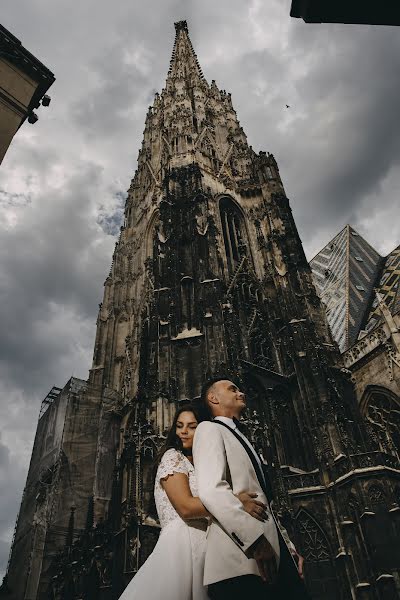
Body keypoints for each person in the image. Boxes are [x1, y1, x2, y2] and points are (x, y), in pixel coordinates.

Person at [119, 404, 270, 600]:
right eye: (180, 425)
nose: (184, 431)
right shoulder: (172, 457)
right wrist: (236, 501)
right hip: (183, 544)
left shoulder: (203, 464)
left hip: (209, 544)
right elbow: (186, 507)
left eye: (192, 426)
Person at [193, 377, 311, 600]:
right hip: (243, 559)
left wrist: (289, 549)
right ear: (213, 398)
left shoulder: (242, 437)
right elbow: (212, 490)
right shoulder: (208, 429)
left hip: (273, 552)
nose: (241, 393)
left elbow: (264, 500)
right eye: (232, 389)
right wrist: (255, 541)